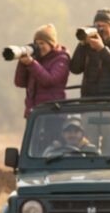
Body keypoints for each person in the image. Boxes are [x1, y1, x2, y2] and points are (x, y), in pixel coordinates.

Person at [70, 8, 110, 154]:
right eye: (96, 25)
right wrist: (82, 45)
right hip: (89, 102)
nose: (99, 29)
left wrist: (101, 49)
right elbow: (74, 68)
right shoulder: (87, 46)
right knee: (87, 147)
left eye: (103, 26)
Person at [15, 23, 70, 151]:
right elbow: (19, 82)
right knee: (34, 149)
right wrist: (22, 63)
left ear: (51, 44)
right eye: (37, 43)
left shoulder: (61, 59)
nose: (39, 47)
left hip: (53, 114)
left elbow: (49, 80)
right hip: (34, 114)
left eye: (42, 43)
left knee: (50, 149)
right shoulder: (36, 60)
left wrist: (31, 63)